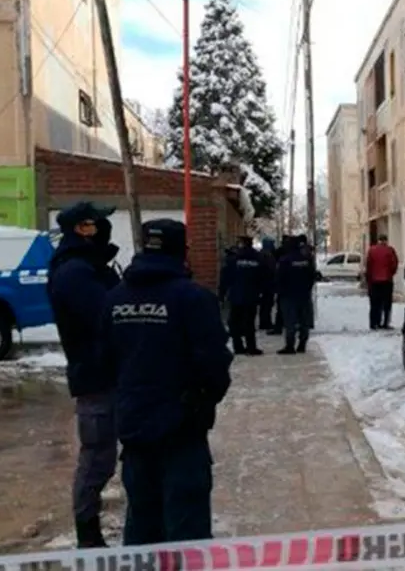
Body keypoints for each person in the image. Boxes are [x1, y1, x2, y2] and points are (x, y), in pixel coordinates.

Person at [97, 219, 233, 546]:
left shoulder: (114, 299)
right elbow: (215, 363)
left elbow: (102, 360)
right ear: (181, 251)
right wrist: (202, 401)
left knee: (142, 521)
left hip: (134, 426)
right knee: (186, 526)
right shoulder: (194, 298)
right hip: (182, 429)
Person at [46, 201, 120, 548]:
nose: (104, 228)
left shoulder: (90, 264)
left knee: (106, 455)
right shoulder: (75, 271)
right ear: (82, 228)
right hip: (94, 375)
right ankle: (88, 534)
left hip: (108, 372)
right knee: (97, 459)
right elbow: (106, 315)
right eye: (97, 223)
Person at [219, 236, 270, 355]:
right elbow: (265, 277)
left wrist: (222, 294)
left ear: (241, 244)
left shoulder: (234, 259)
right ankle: (251, 347)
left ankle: (238, 347)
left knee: (234, 323)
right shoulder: (258, 259)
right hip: (252, 296)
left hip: (236, 296)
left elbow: (225, 278)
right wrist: (263, 293)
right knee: (249, 323)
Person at [276, 235, 317, 354]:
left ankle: (290, 346)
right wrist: (307, 289)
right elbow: (312, 276)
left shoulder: (285, 260)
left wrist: (281, 292)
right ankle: (302, 344)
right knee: (304, 321)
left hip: (289, 296)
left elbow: (279, 278)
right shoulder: (307, 259)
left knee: (290, 321)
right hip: (304, 295)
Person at [365, 234, 398, 330]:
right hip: (386, 281)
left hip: (374, 281)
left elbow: (368, 265)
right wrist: (390, 274)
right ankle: (385, 323)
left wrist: (369, 278)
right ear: (386, 240)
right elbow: (394, 264)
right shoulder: (390, 250)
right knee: (387, 304)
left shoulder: (372, 250)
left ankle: (374, 323)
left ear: (378, 240)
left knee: (374, 303)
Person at [258, 237, 277, 331]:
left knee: (266, 305)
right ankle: (265, 322)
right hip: (267, 284)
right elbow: (270, 270)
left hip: (265, 284)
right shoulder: (266, 256)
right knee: (266, 304)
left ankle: (265, 322)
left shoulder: (262, 254)